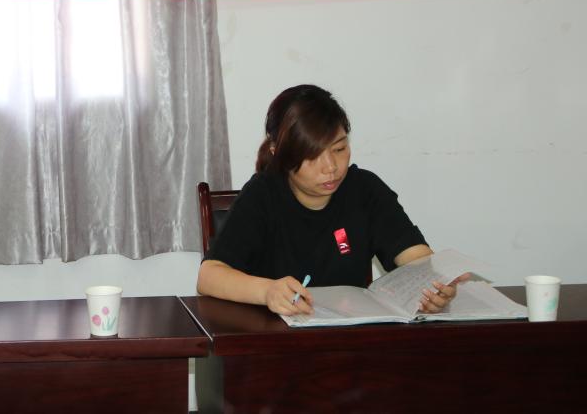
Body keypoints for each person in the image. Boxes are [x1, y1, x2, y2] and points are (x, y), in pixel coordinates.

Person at [197, 84, 465, 316]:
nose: (331, 167)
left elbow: (415, 256)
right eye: (313, 156)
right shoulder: (263, 194)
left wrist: (436, 284)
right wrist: (267, 291)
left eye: (339, 149)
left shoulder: (364, 190)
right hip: (277, 340)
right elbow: (209, 276)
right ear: (278, 152)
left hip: (349, 339)